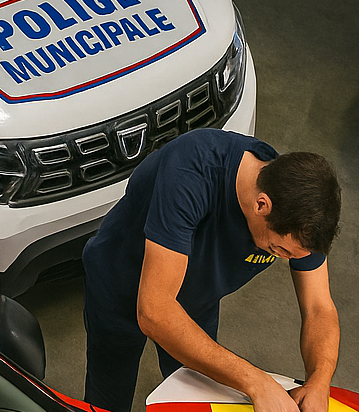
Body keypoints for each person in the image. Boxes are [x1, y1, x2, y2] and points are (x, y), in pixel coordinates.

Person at [81, 128, 341, 412]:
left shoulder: (297, 209)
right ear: (261, 205)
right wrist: (257, 381)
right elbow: (154, 312)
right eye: (279, 250)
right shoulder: (192, 171)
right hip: (121, 285)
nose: (283, 259)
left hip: (196, 300)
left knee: (198, 399)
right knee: (107, 399)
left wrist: (319, 381)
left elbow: (319, 307)